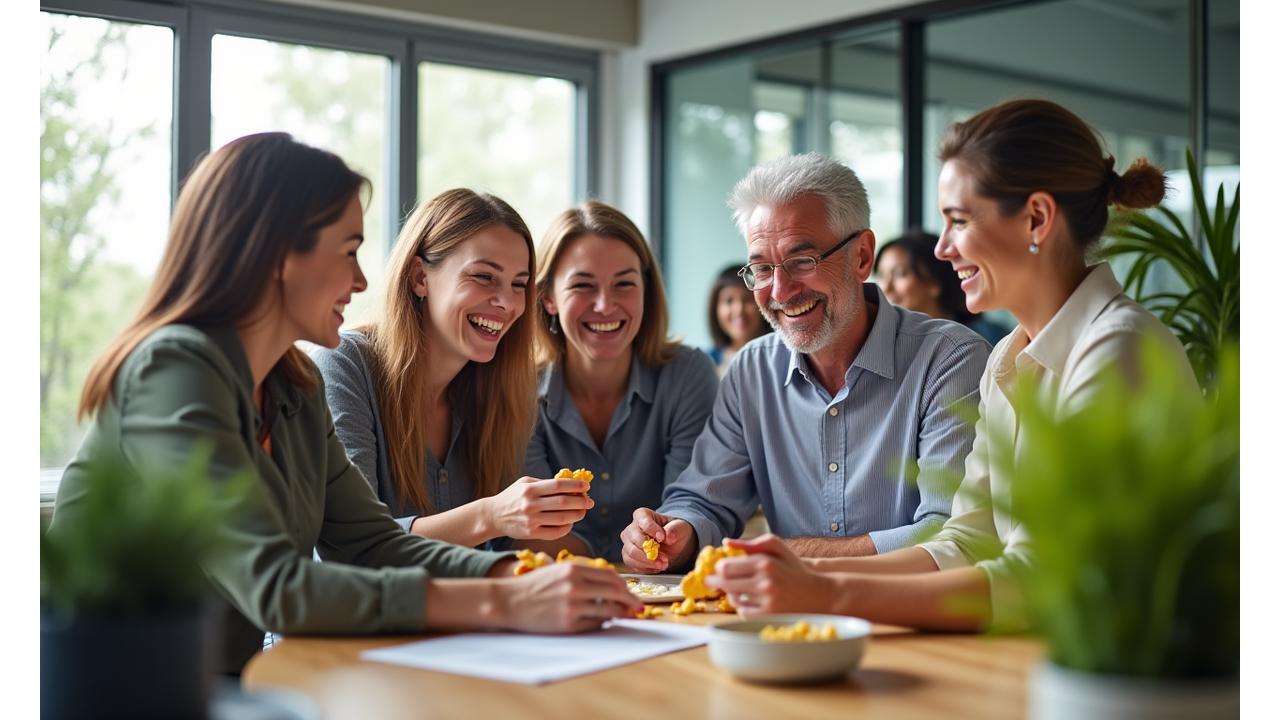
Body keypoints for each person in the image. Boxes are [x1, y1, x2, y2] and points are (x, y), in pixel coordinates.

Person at [50, 134, 640, 676]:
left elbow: (372, 544)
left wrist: (521, 573)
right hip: (124, 692)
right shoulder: (173, 369)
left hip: (225, 686)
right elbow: (277, 586)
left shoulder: (294, 385)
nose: (361, 282)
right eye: (348, 251)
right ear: (278, 254)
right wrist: (504, 598)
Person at [702, 99, 1199, 632]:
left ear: (1036, 218)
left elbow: (1044, 578)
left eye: (959, 221)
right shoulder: (1009, 359)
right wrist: (796, 574)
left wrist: (825, 591)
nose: (941, 249)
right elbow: (967, 540)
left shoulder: (1116, 351)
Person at [620, 153, 991, 572]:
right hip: (785, 626)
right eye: (761, 268)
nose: (780, 290)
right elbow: (703, 499)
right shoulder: (751, 371)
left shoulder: (949, 360)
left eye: (802, 261)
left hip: (915, 623)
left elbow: (950, 533)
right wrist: (676, 533)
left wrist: (793, 555)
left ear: (862, 257)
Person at [312, 189, 593, 552]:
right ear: (419, 278)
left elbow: (519, 542)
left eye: (518, 285)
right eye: (483, 277)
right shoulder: (343, 365)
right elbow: (351, 545)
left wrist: (628, 551)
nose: (507, 303)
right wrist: (491, 516)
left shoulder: (501, 389)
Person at [524, 200, 720, 561]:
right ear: (548, 297)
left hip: (666, 593)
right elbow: (533, 531)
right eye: (583, 285)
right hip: (556, 592)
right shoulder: (517, 387)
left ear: (646, 289)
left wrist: (665, 538)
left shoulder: (689, 375)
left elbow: (692, 502)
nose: (604, 305)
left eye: (624, 284)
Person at [875, 229, 1010, 345]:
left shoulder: (991, 339)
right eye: (880, 275)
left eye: (900, 274)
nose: (886, 287)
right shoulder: (881, 343)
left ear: (934, 281)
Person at [705, 263, 771, 378]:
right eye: (729, 301)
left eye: (747, 299)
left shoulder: (783, 358)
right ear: (715, 308)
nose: (739, 310)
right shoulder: (705, 363)